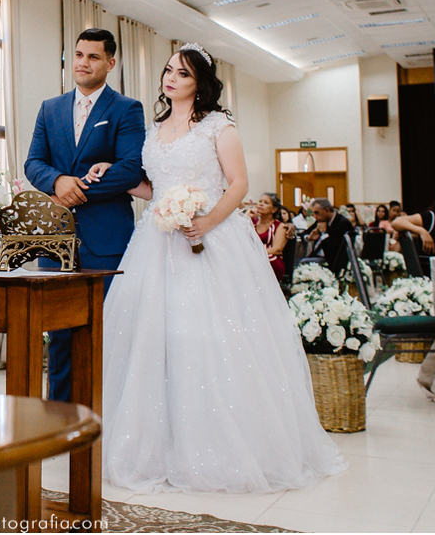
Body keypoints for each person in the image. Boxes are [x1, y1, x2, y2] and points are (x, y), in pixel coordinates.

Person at [90, 43, 345, 493]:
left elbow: (239, 182)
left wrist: (204, 221)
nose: (171, 79)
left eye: (182, 74)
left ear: (199, 83)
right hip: (157, 240)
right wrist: (115, 172)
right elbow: (152, 186)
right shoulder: (154, 129)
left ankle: (217, 446)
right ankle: (154, 443)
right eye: (168, 70)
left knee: (206, 338)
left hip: (211, 239)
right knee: (153, 340)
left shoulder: (217, 126)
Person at [24, 28, 145, 403]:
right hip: (56, 239)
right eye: (78, 55)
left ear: (110, 63)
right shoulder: (50, 108)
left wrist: (78, 190)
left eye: (93, 57)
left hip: (106, 239)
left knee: (107, 331)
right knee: (57, 335)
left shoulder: (126, 109)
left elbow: (131, 168)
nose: (82, 63)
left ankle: (104, 415)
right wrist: (58, 180)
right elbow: (33, 162)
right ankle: (58, 417)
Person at [304, 198, 355, 267]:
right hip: (316, 255)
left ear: (327, 210)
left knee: (302, 263)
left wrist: (324, 233)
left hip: (331, 261)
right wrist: (308, 238)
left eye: (317, 213)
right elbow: (304, 232)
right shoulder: (321, 220)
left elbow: (334, 250)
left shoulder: (343, 223)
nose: (315, 216)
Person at [251, 192, 288, 281]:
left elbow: (276, 249)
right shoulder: (251, 223)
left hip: (271, 260)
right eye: (260, 201)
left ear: (274, 209)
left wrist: (254, 254)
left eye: (266, 203)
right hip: (253, 258)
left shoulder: (280, 226)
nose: (261, 204)